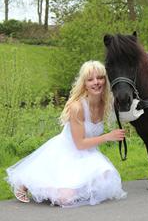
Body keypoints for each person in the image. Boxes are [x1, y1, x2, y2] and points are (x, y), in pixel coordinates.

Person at [6, 60, 127, 207]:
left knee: (106, 179)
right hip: (67, 152)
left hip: (89, 154)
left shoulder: (106, 102)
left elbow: (127, 111)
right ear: (84, 84)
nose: (96, 82)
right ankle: (28, 183)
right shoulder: (77, 107)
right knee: (65, 199)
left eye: (100, 78)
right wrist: (108, 137)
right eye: (90, 79)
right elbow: (80, 144)